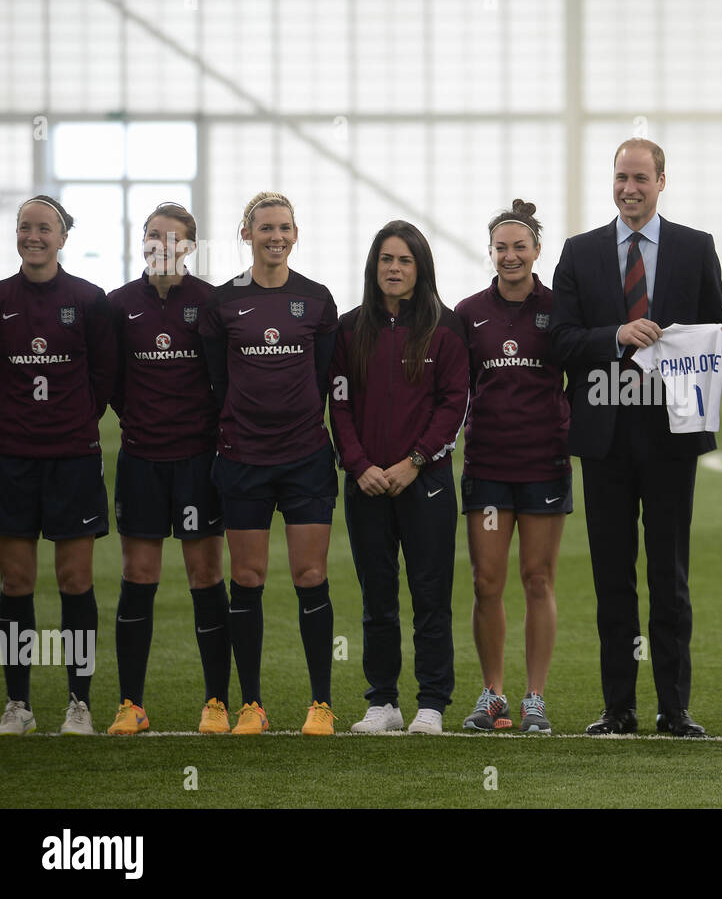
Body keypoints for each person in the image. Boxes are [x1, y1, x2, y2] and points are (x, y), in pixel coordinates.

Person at [551, 138, 722, 737]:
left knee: (670, 577)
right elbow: (561, 341)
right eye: (622, 177)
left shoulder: (695, 247)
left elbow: (712, 334)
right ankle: (618, 708)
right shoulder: (579, 253)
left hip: (671, 435)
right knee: (612, 579)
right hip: (604, 438)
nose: (630, 188)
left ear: (661, 181)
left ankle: (674, 710)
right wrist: (616, 335)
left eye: (641, 178)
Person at [198, 191, 340, 735]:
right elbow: (217, 382)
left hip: (305, 457)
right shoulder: (223, 303)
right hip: (242, 459)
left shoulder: (317, 299)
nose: (274, 236)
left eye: (283, 227)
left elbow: (323, 377)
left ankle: (320, 704)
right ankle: (250, 704)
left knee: (310, 575)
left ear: (295, 234)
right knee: (248, 577)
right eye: (264, 228)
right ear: (246, 234)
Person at [331, 220, 468, 735]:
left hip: (425, 482)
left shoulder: (447, 329)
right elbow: (338, 404)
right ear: (374, 266)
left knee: (431, 597)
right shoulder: (348, 330)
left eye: (404, 260)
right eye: (386, 259)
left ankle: (431, 703)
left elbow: (453, 403)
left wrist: (414, 461)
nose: (394, 268)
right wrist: (359, 465)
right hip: (365, 483)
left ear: (420, 267)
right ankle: (382, 702)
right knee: (377, 598)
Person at [0, 195, 116, 737]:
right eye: (25, 227)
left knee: (74, 581)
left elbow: (107, 376)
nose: (33, 236)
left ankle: (78, 704)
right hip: (12, 460)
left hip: (72, 461)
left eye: (44, 228)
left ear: (63, 237)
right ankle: (17, 705)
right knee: (16, 582)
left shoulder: (89, 300)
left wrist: (75, 421)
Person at [105, 202, 229, 734]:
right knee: (139, 575)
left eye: (173, 238)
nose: (162, 245)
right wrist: (138, 421)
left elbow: (224, 378)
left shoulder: (209, 303)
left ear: (189, 247)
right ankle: (130, 704)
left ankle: (217, 704)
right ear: (142, 242)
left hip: (198, 463)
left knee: (206, 575)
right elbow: (108, 381)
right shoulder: (117, 305)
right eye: (153, 236)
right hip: (141, 460)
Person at [454, 200, 570, 733]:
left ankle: (535, 698)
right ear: (491, 253)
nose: (510, 255)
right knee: (487, 581)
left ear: (537, 251)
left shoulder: (560, 308)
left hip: (544, 465)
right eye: (501, 247)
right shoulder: (468, 312)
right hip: (489, 469)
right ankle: (494, 694)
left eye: (520, 246)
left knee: (538, 578)